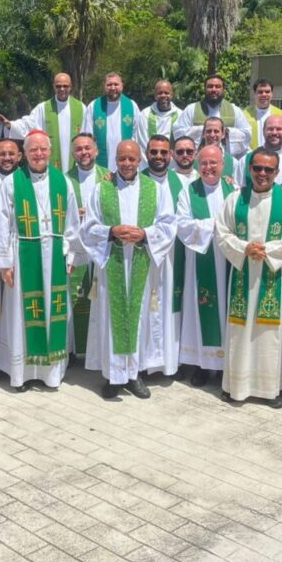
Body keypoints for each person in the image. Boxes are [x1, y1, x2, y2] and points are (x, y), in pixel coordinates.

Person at [82, 141, 176, 399]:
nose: (126, 164)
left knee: (140, 317)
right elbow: (88, 227)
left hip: (141, 263)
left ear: (139, 161)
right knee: (111, 318)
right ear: (115, 160)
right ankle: (114, 376)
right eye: (122, 158)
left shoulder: (155, 190)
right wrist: (111, 231)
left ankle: (134, 375)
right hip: (111, 262)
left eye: (131, 159)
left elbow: (169, 225)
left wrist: (145, 234)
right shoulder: (101, 189)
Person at [0, 131, 80, 390]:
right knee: (21, 313)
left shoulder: (63, 182)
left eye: (43, 149)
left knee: (53, 310)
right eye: (33, 150)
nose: (38, 154)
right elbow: (2, 223)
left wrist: (71, 254)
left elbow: (72, 222)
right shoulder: (12, 182)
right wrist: (5, 264)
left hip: (55, 255)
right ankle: (21, 374)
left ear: (50, 152)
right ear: (25, 154)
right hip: (23, 255)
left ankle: (51, 373)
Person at [216, 147, 282, 405]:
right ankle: (236, 385)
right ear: (249, 169)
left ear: (277, 172)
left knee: (270, 333)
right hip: (243, 273)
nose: (262, 173)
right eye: (257, 168)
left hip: (274, 273)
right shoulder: (235, 198)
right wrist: (244, 248)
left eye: (268, 169)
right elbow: (222, 232)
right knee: (240, 331)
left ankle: (269, 389)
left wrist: (267, 250)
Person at [175, 145, 236, 386]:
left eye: (214, 163)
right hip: (200, 260)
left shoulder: (234, 190)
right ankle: (202, 365)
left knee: (226, 311)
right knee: (200, 310)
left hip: (229, 261)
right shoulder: (188, 192)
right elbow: (182, 225)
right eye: (204, 163)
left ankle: (223, 367)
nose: (208, 168)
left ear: (223, 164)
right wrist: (215, 224)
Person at [142, 135, 187, 377]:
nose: (158, 156)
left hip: (173, 256)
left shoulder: (184, 183)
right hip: (145, 254)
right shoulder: (135, 181)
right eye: (154, 152)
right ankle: (144, 363)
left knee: (170, 308)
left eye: (163, 152)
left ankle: (171, 363)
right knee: (145, 309)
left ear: (170, 155)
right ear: (146, 154)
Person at [66, 133, 110, 356]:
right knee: (78, 297)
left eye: (87, 148)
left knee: (102, 298)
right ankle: (79, 351)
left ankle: (101, 350)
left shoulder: (109, 178)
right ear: (73, 153)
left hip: (102, 247)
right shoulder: (65, 180)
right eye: (79, 149)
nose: (84, 152)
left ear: (96, 151)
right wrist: (75, 213)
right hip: (78, 247)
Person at [1, 72, 85, 172]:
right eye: (58, 86)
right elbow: (29, 125)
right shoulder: (43, 108)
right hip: (51, 162)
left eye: (65, 86)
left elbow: (88, 134)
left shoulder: (81, 108)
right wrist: (11, 125)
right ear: (54, 87)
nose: (62, 89)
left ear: (70, 86)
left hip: (74, 162)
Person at [175, 75, 251, 158]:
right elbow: (179, 132)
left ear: (223, 90)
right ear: (204, 89)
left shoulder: (234, 110)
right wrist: (202, 130)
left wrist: (227, 132)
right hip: (199, 160)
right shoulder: (191, 109)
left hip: (226, 160)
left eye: (217, 86)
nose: (214, 89)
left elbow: (247, 134)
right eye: (210, 86)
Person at [81, 72, 144, 171]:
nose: (113, 87)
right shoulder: (94, 106)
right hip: (100, 163)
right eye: (109, 85)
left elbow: (137, 136)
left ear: (122, 85)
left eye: (116, 84)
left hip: (127, 163)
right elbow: (87, 137)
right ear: (104, 86)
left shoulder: (131, 106)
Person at [136, 79, 182, 147]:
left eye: (166, 93)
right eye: (160, 93)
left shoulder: (180, 114)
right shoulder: (145, 114)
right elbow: (142, 141)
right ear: (155, 96)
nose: (163, 95)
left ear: (171, 95)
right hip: (151, 153)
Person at [245, 79, 282, 150]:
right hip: (252, 155)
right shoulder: (244, 115)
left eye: (267, 92)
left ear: (272, 94)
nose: (264, 94)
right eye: (260, 92)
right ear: (254, 94)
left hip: (275, 155)